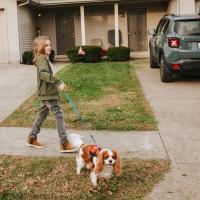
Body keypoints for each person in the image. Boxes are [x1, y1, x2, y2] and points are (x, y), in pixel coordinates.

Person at [26, 35, 78, 153]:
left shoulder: (43, 58)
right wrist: (58, 82)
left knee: (41, 115)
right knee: (59, 116)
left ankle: (32, 138)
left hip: (46, 93)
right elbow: (44, 74)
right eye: (46, 45)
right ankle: (64, 143)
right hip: (48, 94)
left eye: (50, 44)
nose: (49, 47)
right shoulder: (42, 59)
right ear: (40, 47)